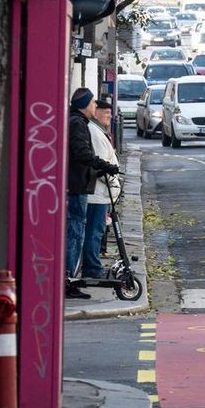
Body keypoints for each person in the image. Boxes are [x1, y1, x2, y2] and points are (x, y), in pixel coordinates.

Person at [66, 88, 119, 300]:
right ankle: (68, 279)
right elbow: (83, 154)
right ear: (85, 105)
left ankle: (70, 276)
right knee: (76, 233)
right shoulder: (79, 124)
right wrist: (103, 166)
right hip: (79, 187)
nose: (95, 107)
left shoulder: (79, 123)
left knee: (78, 232)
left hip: (81, 186)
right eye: (93, 104)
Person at [82, 100, 122, 277]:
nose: (110, 117)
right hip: (97, 194)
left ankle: (93, 264)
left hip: (101, 194)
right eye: (106, 113)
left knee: (96, 231)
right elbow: (99, 164)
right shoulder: (94, 132)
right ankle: (92, 267)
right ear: (96, 112)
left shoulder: (97, 131)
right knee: (94, 232)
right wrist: (112, 180)